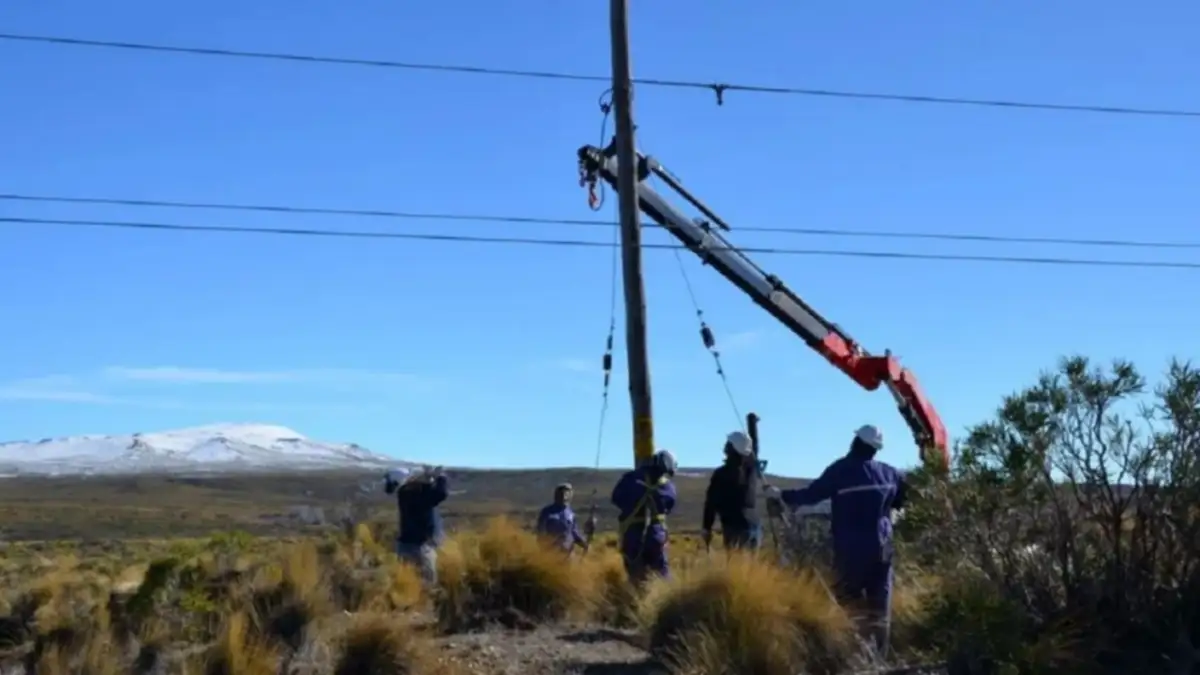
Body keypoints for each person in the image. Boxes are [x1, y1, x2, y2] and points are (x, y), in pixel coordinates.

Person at [765, 424, 909, 657]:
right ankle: (879, 656)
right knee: (880, 604)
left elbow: (811, 495)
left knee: (848, 601)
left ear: (856, 442)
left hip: (851, 549)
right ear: (875, 449)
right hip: (883, 548)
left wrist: (781, 494)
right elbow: (902, 499)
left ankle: (857, 653)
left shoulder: (840, 471)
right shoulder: (890, 473)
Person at [611, 449, 678, 583]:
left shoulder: (630, 479)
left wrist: (631, 506)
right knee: (661, 575)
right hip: (656, 536)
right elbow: (669, 506)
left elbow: (616, 498)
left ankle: (635, 595)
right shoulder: (668, 487)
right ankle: (665, 595)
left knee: (635, 577)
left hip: (632, 536)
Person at [385, 465, 450, 587]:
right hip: (420, 546)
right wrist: (440, 477)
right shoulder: (415, 495)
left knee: (408, 580)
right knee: (427, 583)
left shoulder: (404, 494)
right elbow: (441, 494)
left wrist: (427, 478)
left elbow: (425, 490)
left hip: (405, 544)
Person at [701, 430, 763, 552]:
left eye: (728, 444)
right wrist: (752, 424)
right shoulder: (751, 470)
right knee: (751, 562)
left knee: (737, 561)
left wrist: (707, 527)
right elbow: (754, 448)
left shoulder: (721, 474)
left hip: (734, 527)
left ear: (732, 448)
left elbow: (711, 504)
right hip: (754, 524)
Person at [535, 482, 589, 555]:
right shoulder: (547, 511)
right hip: (551, 551)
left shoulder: (570, 514)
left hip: (567, 552)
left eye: (567, 492)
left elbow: (574, 532)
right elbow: (541, 531)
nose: (563, 495)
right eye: (561, 492)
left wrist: (584, 543)